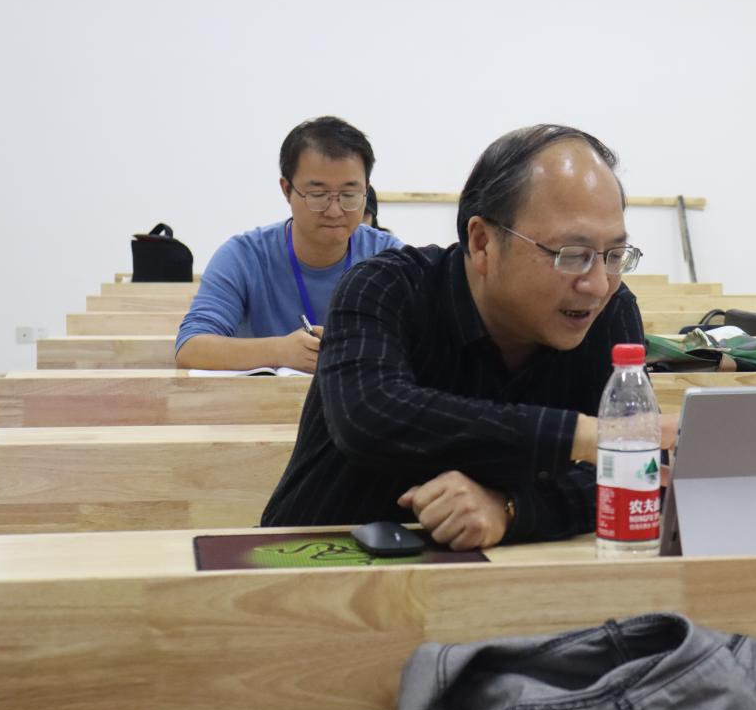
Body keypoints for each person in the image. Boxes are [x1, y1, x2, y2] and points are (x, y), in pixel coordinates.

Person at [261, 124, 674, 548]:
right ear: (482, 242)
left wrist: (511, 509)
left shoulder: (609, 312)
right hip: (312, 559)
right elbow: (370, 415)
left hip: (505, 579)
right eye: (572, 255)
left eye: (614, 255)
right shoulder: (384, 288)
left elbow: (646, 474)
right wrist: (579, 436)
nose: (598, 285)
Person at [175, 116, 402, 373]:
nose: (335, 211)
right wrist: (280, 351)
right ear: (286, 189)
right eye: (318, 195)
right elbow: (190, 348)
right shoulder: (244, 256)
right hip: (264, 398)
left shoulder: (388, 257)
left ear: (366, 190)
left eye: (349, 195)